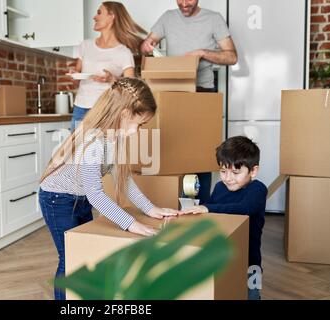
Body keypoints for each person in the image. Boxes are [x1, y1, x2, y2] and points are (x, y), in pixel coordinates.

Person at [39, 78, 181, 300]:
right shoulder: (94, 141)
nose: (139, 130)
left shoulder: (114, 138)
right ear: (124, 115)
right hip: (57, 200)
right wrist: (131, 224)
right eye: (141, 124)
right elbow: (96, 193)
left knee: (85, 254)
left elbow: (124, 180)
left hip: (80, 199)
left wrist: (150, 209)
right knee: (70, 259)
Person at [141, 0, 238, 204]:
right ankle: (172, 205)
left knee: (200, 156)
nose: (184, 3)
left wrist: (203, 53)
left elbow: (231, 56)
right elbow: (145, 46)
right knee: (173, 151)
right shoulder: (168, 17)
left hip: (202, 91)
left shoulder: (213, 19)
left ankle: (201, 206)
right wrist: (147, 45)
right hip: (171, 92)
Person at [180, 136, 267, 300]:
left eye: (235, 172)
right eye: (223, 171)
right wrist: (195, 206)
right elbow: (211, 207)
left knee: (251, 294)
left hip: (250, 260)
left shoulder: (258, 189)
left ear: (253, 171)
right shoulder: (220, 187)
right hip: (223, 254)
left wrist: (207, 207)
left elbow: (244, 209)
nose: (228, 178)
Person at [70, 1, 146, 131]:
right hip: (80, 107)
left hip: (106, 109)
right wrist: (73, 73)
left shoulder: (123, 52)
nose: (94, 17)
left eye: (99, 13)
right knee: (77, 149)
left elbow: (132, 86)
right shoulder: (85, 45)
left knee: (103, 150)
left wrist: (112, 79)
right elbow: (77, 73)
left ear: (112, 17)